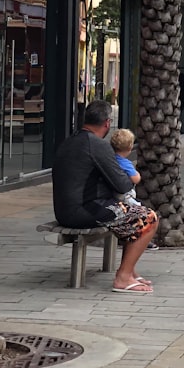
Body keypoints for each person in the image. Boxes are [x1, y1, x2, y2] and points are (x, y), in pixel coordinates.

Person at [52, 100, 158, 294]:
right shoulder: (97, 145)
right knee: (148, 217)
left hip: (64, 210)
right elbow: (123, 184)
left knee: (131, 214)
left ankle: (130, 271)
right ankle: (123, 278)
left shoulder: (70, 141)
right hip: (83, 211)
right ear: (107, 123)